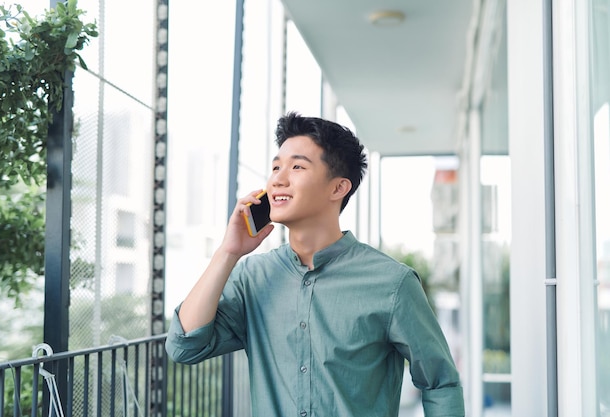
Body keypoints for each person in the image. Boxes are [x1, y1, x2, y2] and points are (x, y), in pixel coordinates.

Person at [165, 112, 465, 417]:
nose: (278, 179)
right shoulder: (252, 277)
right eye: (275, 167)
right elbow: (184, 347)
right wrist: (228, 252)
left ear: (338, 188)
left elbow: (440, 383)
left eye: (297, 166)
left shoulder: (392, 284)